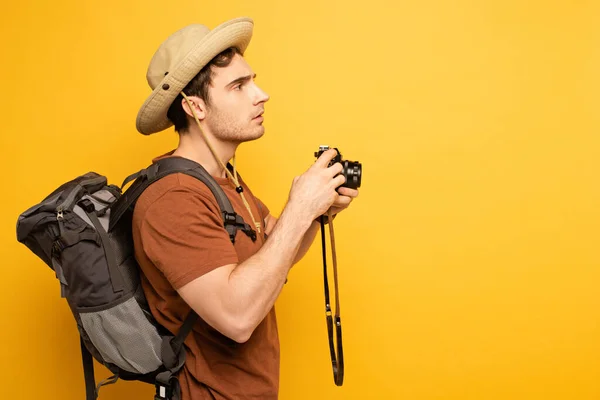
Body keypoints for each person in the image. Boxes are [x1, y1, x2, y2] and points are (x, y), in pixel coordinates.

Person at [132, 17, 359, 399]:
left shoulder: (225, 181)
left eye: (253, 80)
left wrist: (321, 212)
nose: (261, 94)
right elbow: (237, 318)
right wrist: (300, 208)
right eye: (239, 86)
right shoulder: (172, 199)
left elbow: (273, 255)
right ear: (195, 107)